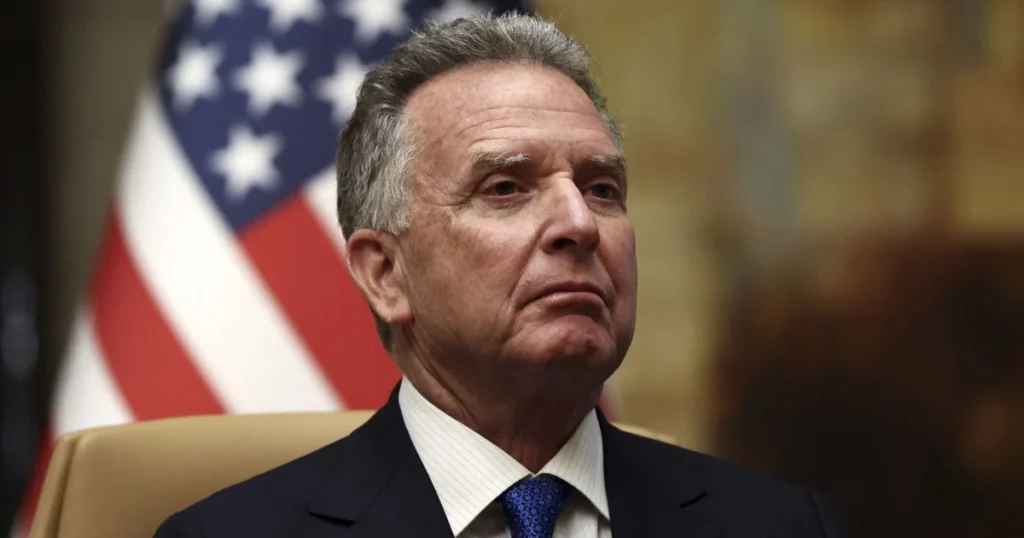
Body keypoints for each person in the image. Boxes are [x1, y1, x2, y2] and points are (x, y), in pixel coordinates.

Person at [155, 13, 846, 538]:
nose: (579, 223)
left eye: (602, 188)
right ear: (385, 274)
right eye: (506, 188)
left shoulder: (785, 526)